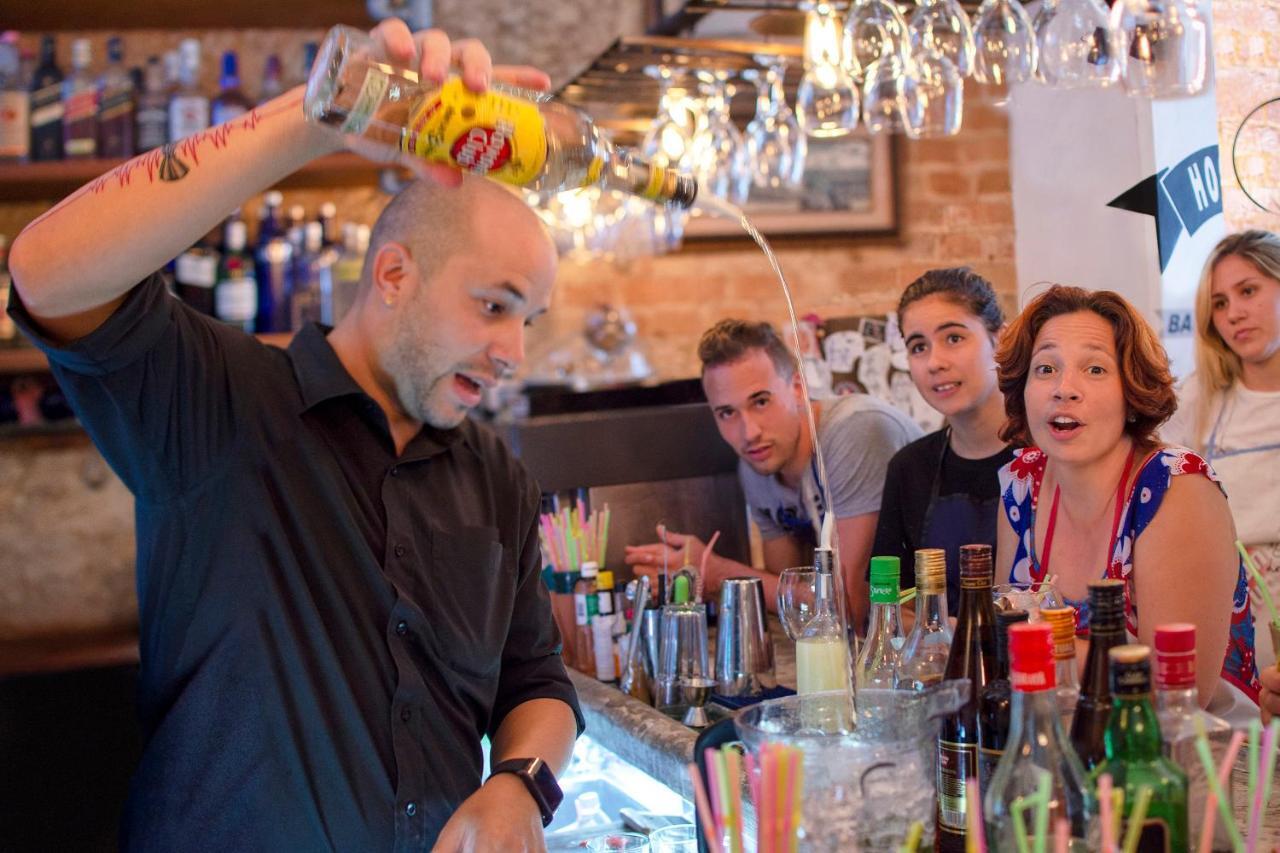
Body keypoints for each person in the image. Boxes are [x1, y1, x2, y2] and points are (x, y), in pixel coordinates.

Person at [6, 21, 581, 852]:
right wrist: (325, 111)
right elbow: (46, 269)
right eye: (493, 305)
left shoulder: (496, 476)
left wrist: (518, 785)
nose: (514, 352)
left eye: (528, 319)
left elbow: (537, 682)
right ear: (393, 274)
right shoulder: (221, 400)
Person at [993, 285, 1260, 713]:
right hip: (1070, 743)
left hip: (1207, 753)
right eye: (1045, 369)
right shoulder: (1022, 483)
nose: (1065, 389)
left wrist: (1025, 646)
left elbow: (1178, 690)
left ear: (1132, 394)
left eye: (1095, 370)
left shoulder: (1176, 486)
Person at [624, 319, 922, 631]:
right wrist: (700, 579)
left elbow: (847, 608)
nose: (749, 433)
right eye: (727, 413)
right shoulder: (758, 466)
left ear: (796, 389)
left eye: (761, 401)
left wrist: (718, 575)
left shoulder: (856, 431)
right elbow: (791, 608)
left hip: (939, 636)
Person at [1163, 230, 1280, 671]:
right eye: (1220, 303)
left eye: (1248, 291)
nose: (1234, 314)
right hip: (1232, 634)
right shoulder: (1199, 400)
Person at [872, 268, 1015, 611]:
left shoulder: (1050, 456)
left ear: (1001, 340)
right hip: (935, 663)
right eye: (919, 347)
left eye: (953, 338)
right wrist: (949, 635)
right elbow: (885, 607)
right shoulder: (909, 469)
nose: (935, 362)